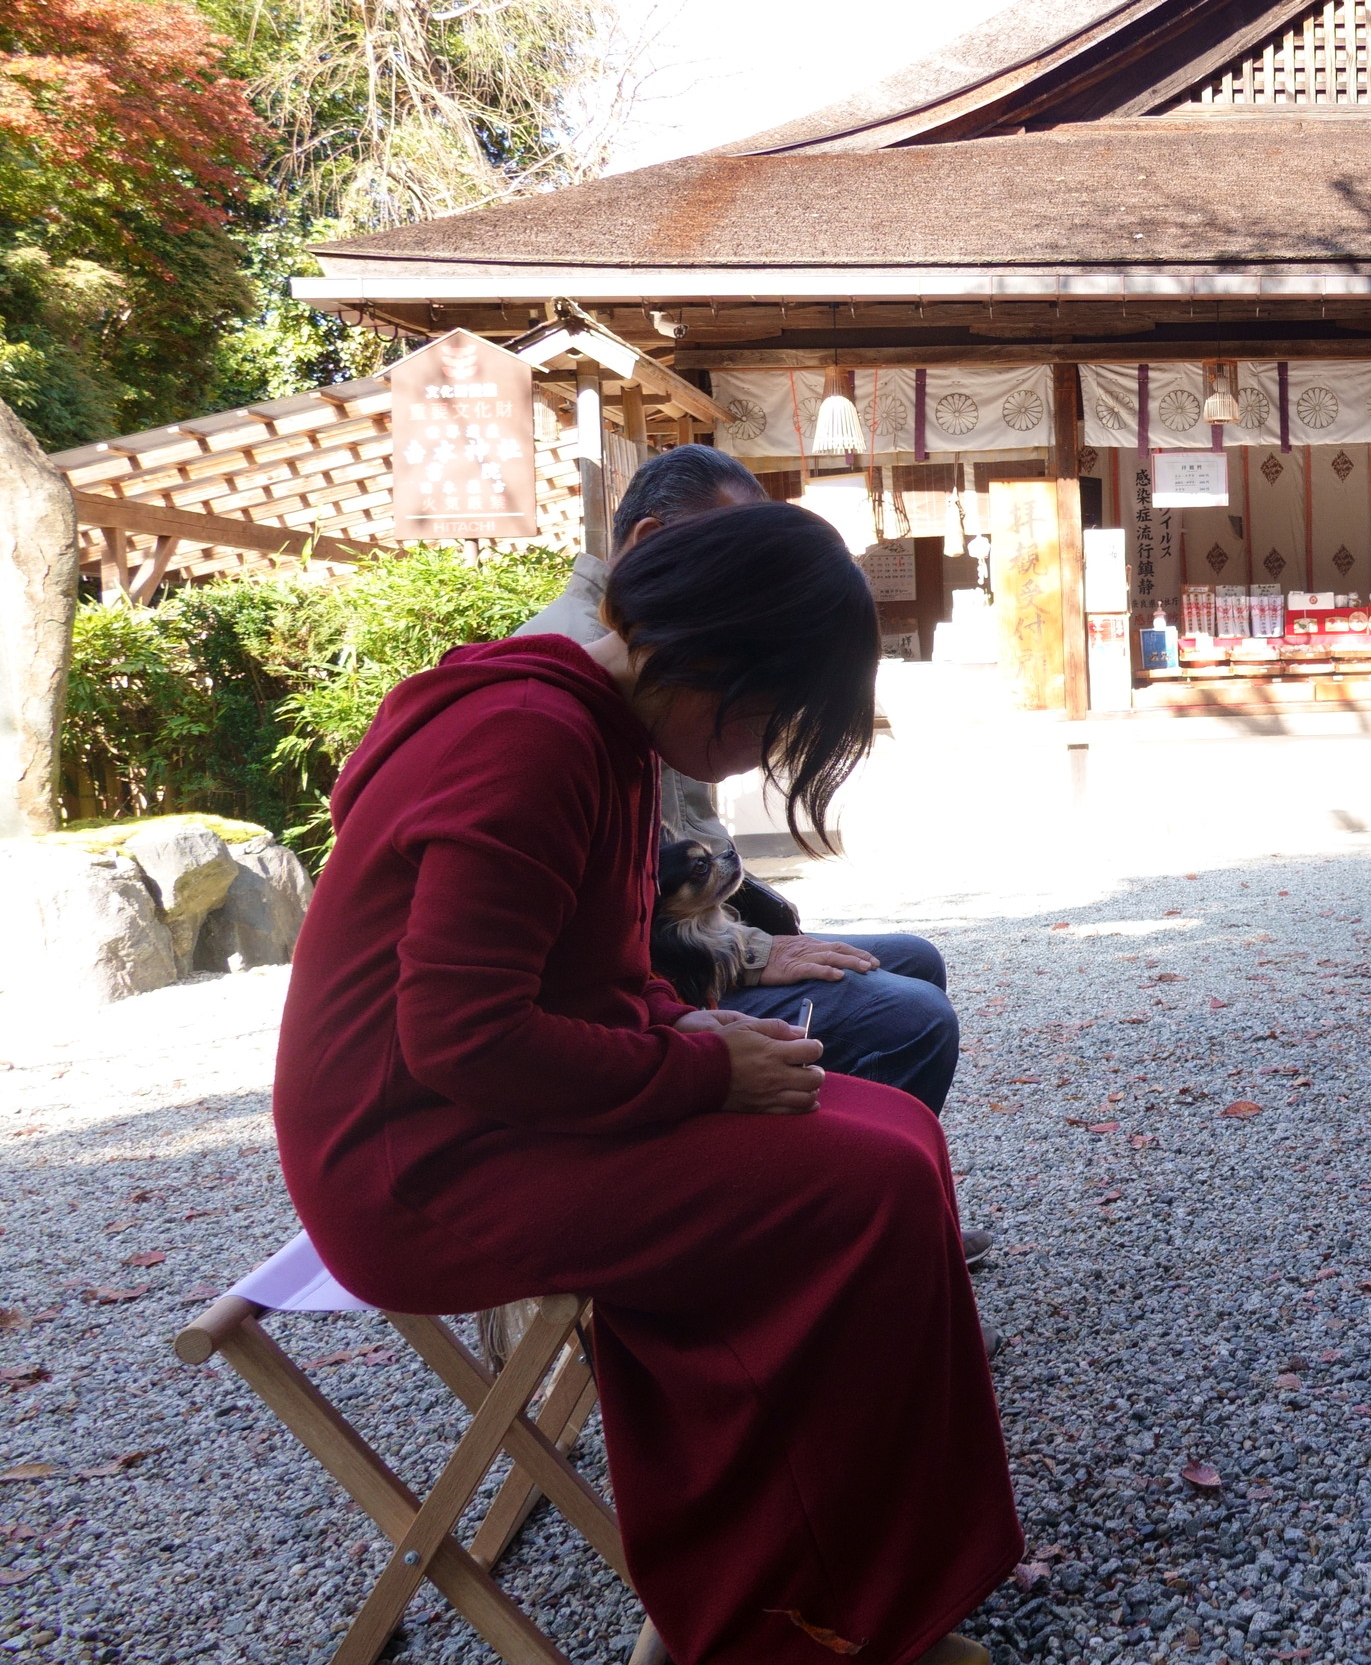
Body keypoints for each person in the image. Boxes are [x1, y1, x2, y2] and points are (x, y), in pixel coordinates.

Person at [277, 503, 1019, 1662]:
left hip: (486, 1124)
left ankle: (848, 1597)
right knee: (858, 1188)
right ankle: (788, 1628)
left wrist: (695, 1028)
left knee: (893, 1136)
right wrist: (695, 1068)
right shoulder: (529, 738)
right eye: (778, 716)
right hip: (415, 1169)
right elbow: (463, 1038)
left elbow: (597, 976)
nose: (769, 749)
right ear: (714, 658)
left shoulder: (593, 726)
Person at [518, 446, 970, 1148]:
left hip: (657, 977)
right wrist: (734, 990)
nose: (765, 748)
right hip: (473, 1144)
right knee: (905, 1017)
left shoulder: (643, 675)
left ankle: (869, 1188)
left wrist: (689, 1011)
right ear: (653, 545)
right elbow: (478, 1023)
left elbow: (618, 937)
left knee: (908, 962)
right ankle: (831, 1199)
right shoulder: (568, 707)